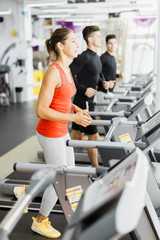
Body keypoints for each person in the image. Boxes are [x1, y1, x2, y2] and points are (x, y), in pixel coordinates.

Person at [13, 27, 92, 239]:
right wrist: (73, 119)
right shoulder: (54, 70)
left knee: (70, 172)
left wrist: (76, 109)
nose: (78, 45)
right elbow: (42, 110)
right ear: (61, 45)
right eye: (74, 41)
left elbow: (63, 99)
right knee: (61, 179)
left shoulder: (67, 69)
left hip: (60, 130)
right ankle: (40, 222)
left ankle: (26, 191)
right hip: (50, 132)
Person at [70, 25, 109, 168]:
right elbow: (69, 73)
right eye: (98, 36)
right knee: (93, 135)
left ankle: (63, 157)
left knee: (75, 134)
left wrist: (102, 82)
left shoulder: (96, 57)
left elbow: (96, 75)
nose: (101, 39)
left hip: (89, 102)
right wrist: (83, 89)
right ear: (90, 39)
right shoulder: (84, 57)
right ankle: (95, 168)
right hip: (83, 101)